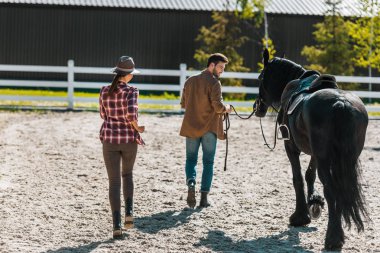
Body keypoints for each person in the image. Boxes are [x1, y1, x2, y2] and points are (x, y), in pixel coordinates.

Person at [99, 56, 145, 239]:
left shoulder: (104, 91)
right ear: (127, 75)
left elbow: (103, 115)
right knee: (127, 175)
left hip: (109, 139)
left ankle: (116, 225)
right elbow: (132, 114)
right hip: (128, 140)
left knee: (114, 182)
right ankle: (129, 214)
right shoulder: (132, 91)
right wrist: (138, 128)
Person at [180, 53, 232, 208]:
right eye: (221, 67)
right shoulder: (215, 83)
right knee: (208, 162)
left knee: (191, 160)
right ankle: (204, 199)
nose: (222, 70)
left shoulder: (190, 81)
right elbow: (218, 107)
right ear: (212, 65)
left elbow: (183, 104)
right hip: (210, 128)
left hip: (191, 126)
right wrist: (227, 108)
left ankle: (191, 182)